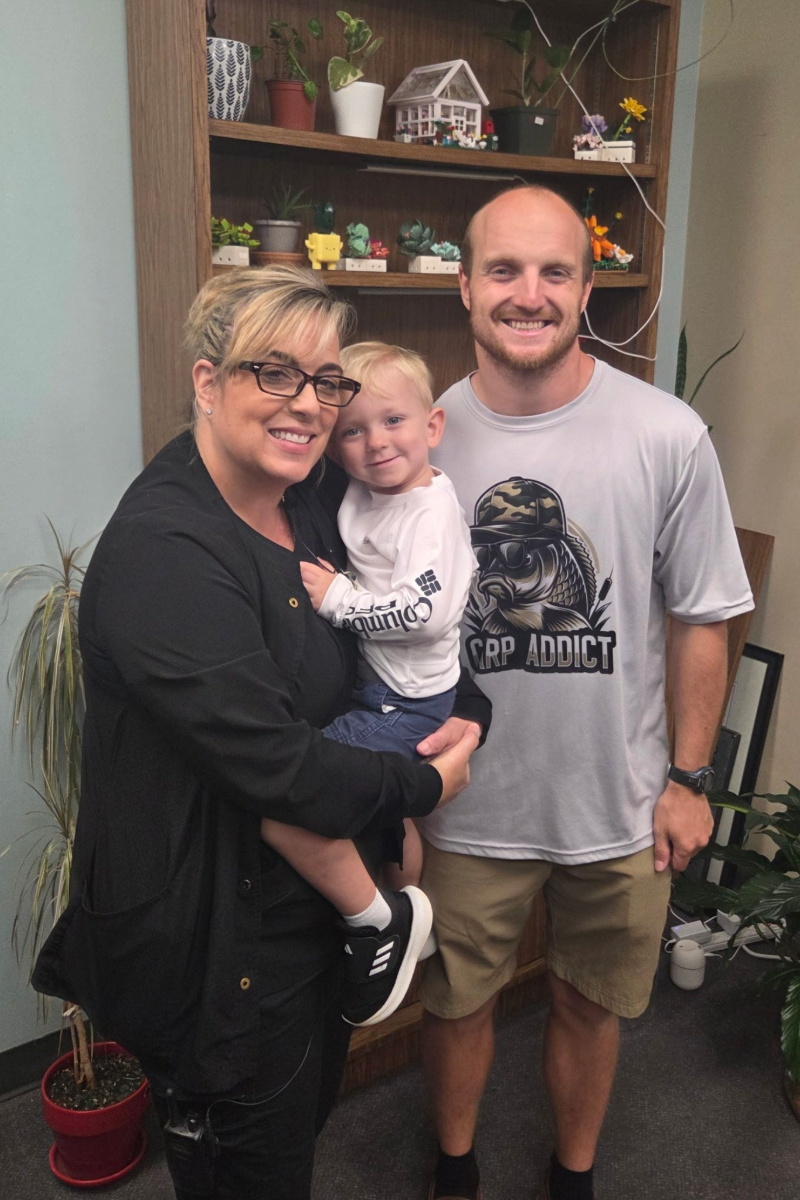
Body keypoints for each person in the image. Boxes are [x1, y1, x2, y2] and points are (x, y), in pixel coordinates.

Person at [31, 266, 488, 1200]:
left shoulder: (307, 497)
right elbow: (280, 769)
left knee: (299, 1130)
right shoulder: (164, 553)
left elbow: (400, 629)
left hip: (310, 923)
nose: (309, 404)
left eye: (326, 381)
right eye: (274, 372)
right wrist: (426, 785)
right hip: (223, 964)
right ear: (207, 381)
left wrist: (469, 712)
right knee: (250, 1169)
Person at [415, 185, 754, 1200]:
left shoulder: (664, 433)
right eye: (504, 270)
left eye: (553, 271)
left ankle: (573, 1177)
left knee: (588, 1003)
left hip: (618, 803)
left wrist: (689, 779)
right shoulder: (419, 438)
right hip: (463, 801)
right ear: (464, 285)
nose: (529, 294)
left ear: (585, 286)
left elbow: (702, 616)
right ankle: (454, 1172)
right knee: (454, 1006)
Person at [261, 342, 476, 1029]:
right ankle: (413, 911)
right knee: (392, 816)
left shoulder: (428, 513)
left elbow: (425, 612)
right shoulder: (362, 489)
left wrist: (339, 600)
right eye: (353, 430)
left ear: (432, 426)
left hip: (406, 700)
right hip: (381, 687)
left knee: (287, 806)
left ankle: (378, 922)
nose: (375, 443)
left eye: (393, 422)